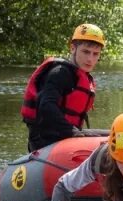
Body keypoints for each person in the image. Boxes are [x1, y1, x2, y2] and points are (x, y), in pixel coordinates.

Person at [21, 23, 105, 152]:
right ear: (73, 48)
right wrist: (72, 132)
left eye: (95, 54)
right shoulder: (59, 72)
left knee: (114, 135)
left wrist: (75, 133)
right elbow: (46, 105)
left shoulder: (81, 76)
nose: (90, 59)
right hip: (45, 142)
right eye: (86, 52)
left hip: (67, 136)